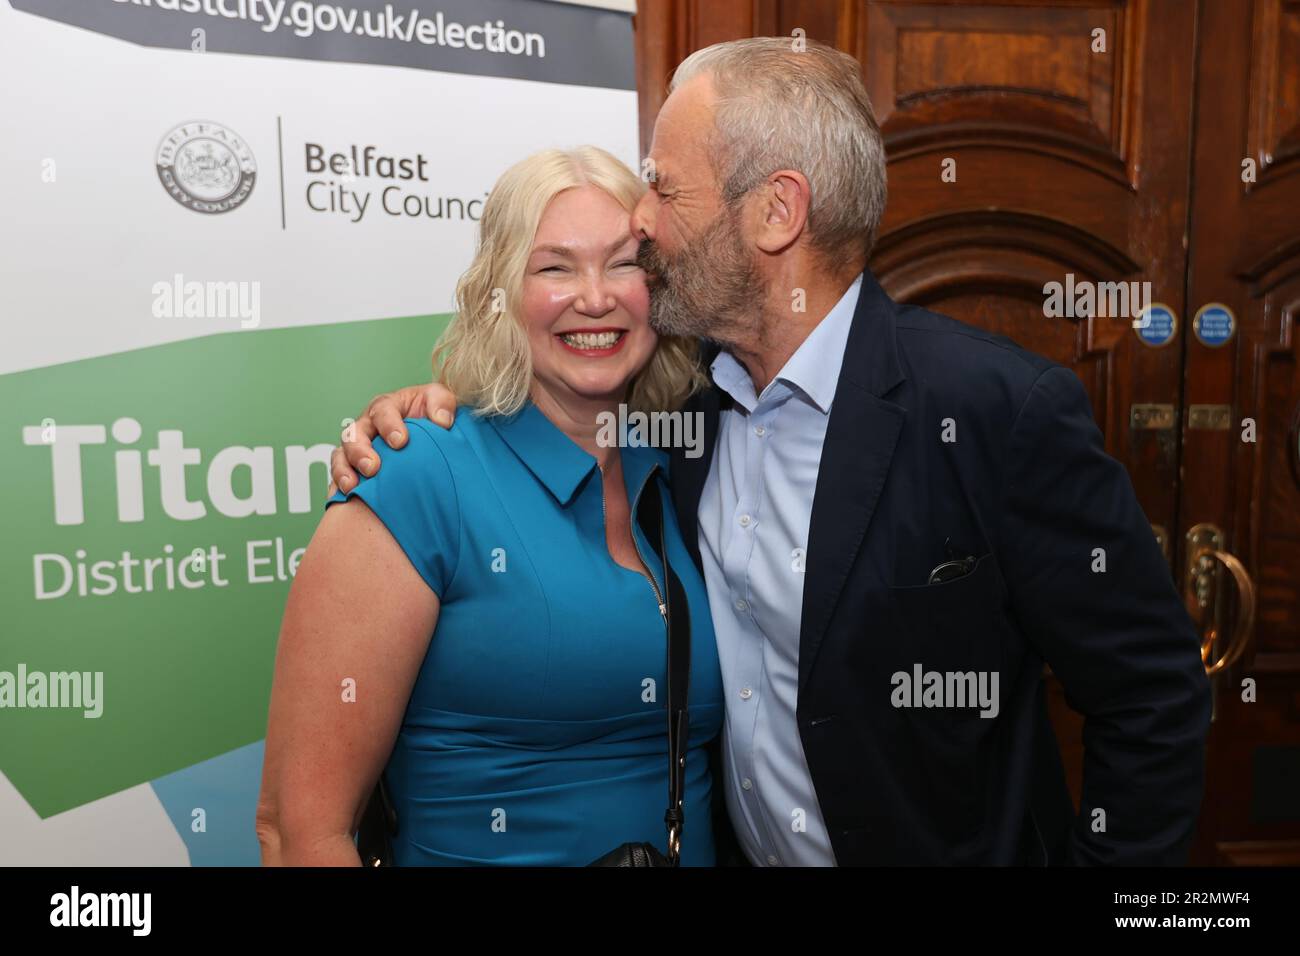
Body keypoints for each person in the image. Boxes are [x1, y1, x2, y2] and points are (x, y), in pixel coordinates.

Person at [331, 38, 1212, 866]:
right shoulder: (680, 417)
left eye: (663, 189)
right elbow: (536, 407)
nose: (640, 223)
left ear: (776, 211)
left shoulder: (992, 412)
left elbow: (1152, 698)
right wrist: (422, 412)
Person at [256, 146, 724, 866]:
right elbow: (300, 833)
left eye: (624, 262)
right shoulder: (414, 476)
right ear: (499, 293)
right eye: (554, 267)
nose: (595, 298)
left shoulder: (684, 468)